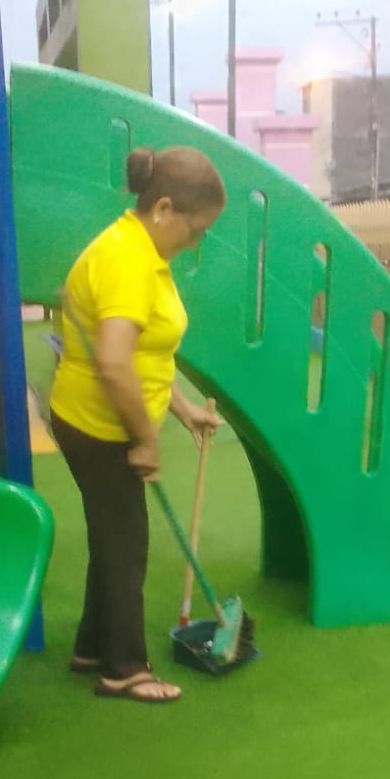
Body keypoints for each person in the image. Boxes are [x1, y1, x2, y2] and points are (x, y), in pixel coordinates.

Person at [49, 144, 226, 705]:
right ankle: (124, 669)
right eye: (196, 229)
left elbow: (144, 353)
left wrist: (182, 408)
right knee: (126, 546)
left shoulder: (140, 251)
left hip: (105, 419)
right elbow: (114, 363)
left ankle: (91, 648)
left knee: (113, 536)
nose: (196, 242)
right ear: (164, 208)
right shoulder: (127, 261)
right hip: (99, 426)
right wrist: (146, 439)